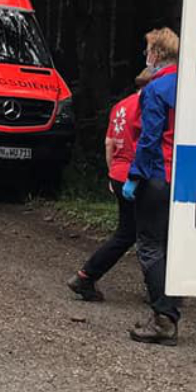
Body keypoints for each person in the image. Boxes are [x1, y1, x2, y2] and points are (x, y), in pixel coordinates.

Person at [67, 68, 154, 302]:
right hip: (138, 176)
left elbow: (109, 143)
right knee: (149, 235)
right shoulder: (147, 104)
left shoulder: (120, 106)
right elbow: (149, 139)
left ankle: (85, 276)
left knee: (128, 233)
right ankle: (156, 291)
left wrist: (111, 174)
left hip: (118, 172)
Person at [124, 28, 180, 345]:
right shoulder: (192, 87)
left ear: (156, 54)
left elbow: (149, 139)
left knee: (149, 246)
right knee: (172, 244)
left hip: (158, 174)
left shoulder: (156, 88)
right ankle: (171, 305)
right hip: (183, 179)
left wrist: (135, 176)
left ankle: (163, 319)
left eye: (148, 50)